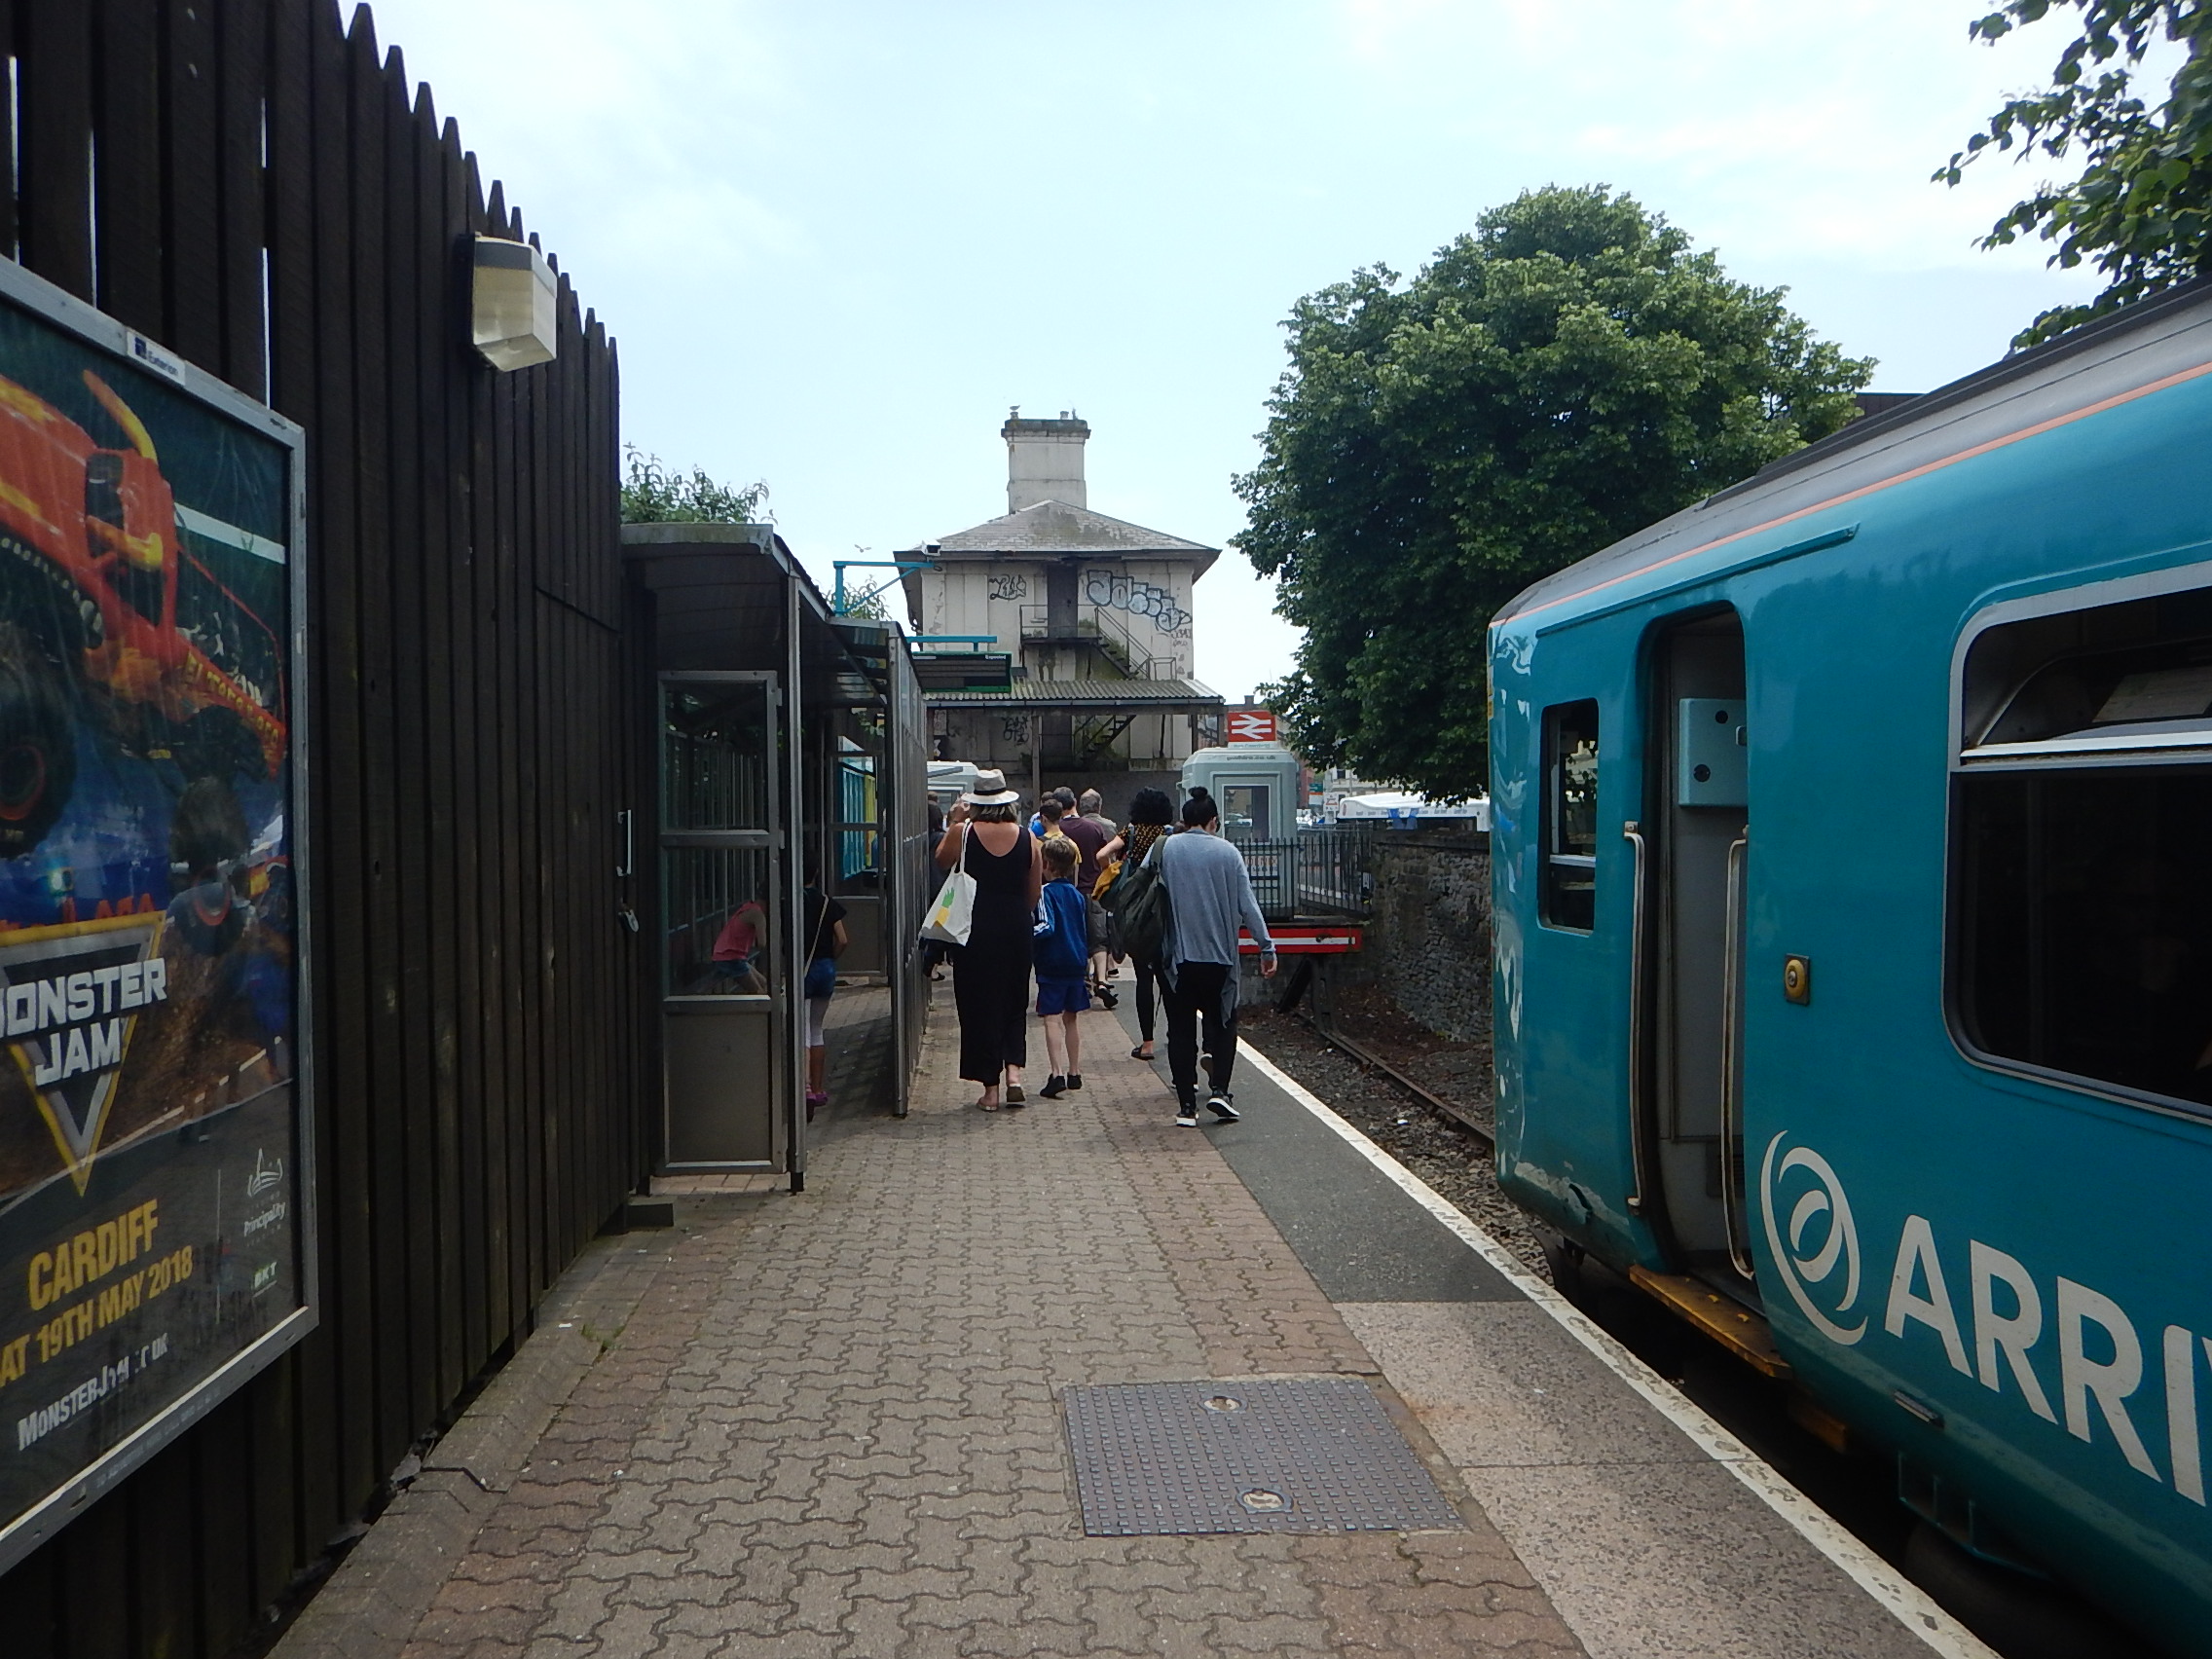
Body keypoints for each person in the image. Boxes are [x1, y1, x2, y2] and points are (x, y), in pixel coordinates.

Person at [1156, 793, 1275, 1126]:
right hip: (1220, 960)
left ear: (1184, 819)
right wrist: (1266, 947)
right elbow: (1247, 905)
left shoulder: (1165, 849)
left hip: (1177, 960)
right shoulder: (1228, 853)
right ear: (1213, 822)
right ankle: (1220, 1091)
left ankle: (1186, 1107)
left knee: (1180, 1029)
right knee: (1223, 1023)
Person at [935, 768, 1041, 1110]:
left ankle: (990, 1090)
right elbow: (1034, 894)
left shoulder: (963, 832)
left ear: (976, 802)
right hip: (1016, 928)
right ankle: (1014, 1075)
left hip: (974, 929)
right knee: (1014, 1000)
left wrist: (955, 819)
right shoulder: (1028, 838)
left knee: (979, 1005)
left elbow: (941, 861)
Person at [1097, 788, 1174, 1060]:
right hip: (1163, 907)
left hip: (1137, 909)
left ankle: (1147, 1044)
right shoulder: (1169, 835)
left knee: (1143, 978)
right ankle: (1174, 1035)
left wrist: (1115, 868)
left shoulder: (1130, 833)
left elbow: (1101, 855)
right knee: (1167, 978)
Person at [1030, 837, 1090, 1098]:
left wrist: (1025, 933)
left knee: (1051, 1019)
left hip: (1053, 962)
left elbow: (1047, 926)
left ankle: (1056, 1074)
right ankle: (1074, 1071)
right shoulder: (1077, 895)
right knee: (1071, 1017)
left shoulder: (1045, 893)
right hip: (1076, 961)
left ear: (1047, 864)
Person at [801, 865, 848, 1117]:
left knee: (802, 1033)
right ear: (816, 873)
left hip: (802, 970)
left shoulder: (790, 903)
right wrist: (830, 958)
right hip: (825, 969)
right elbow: (842, 939)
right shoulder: (827, 902)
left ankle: (805, 1087)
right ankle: (818, 1089)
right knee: (816, 1028)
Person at [711, 897, 768, 994]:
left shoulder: (748, 907)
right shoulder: (757, 914)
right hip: (729, 958)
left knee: (765, 983)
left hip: (732, 955)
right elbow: (762, 943)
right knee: (760, 993)